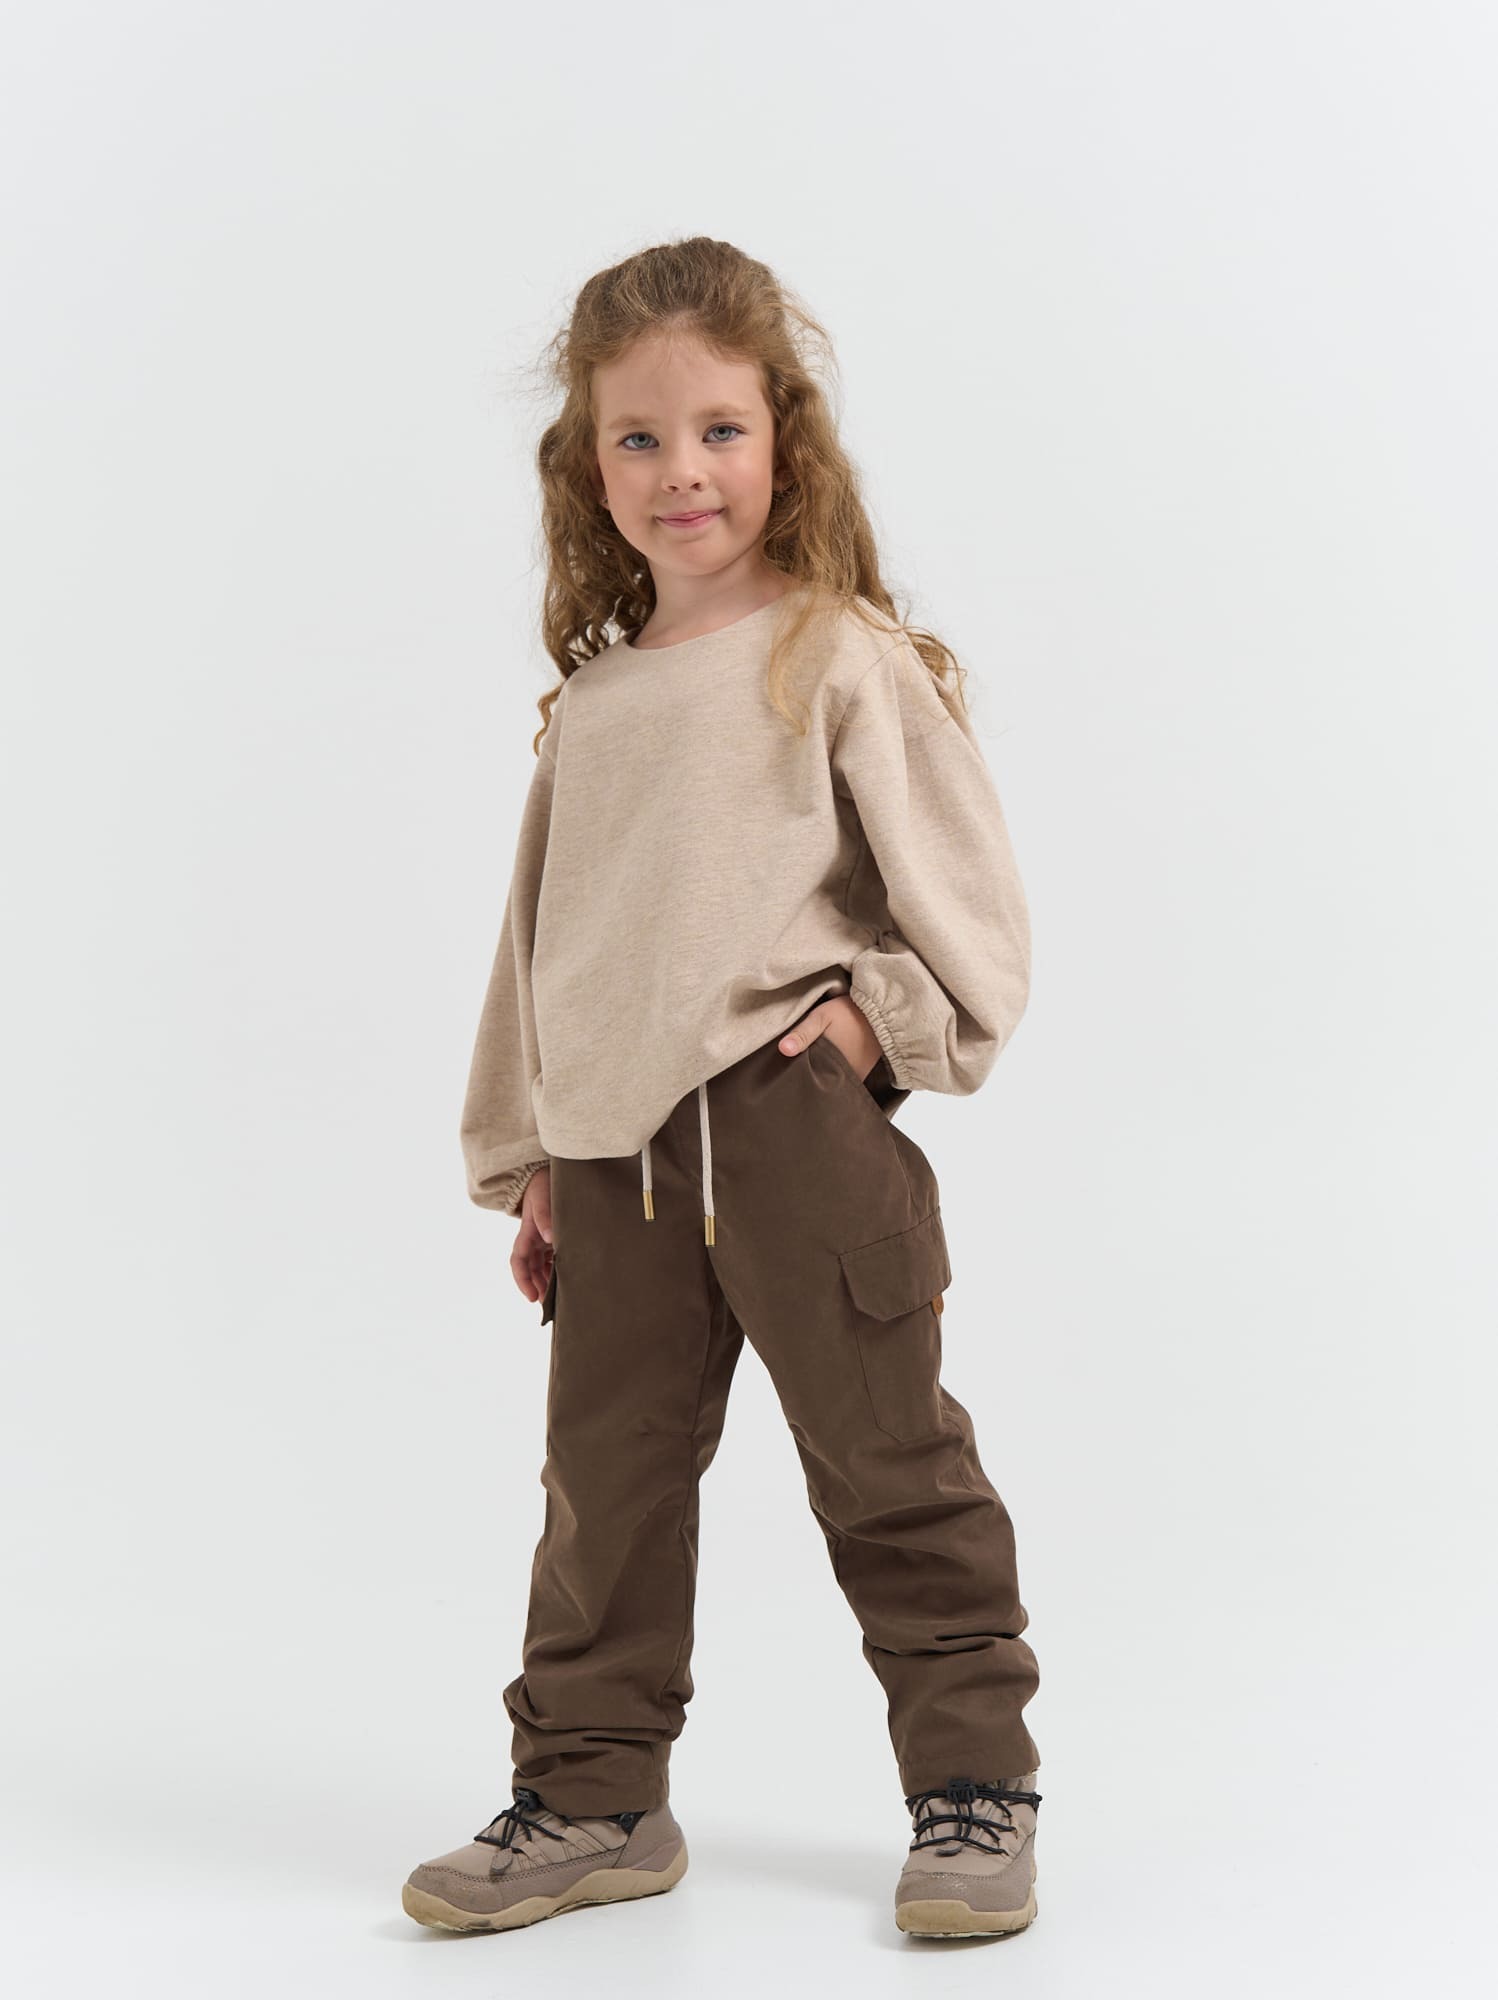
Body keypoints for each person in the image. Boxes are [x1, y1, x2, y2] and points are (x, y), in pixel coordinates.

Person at [401, 236, 1044, 1942]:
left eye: (718, 431)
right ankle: (593, 1799)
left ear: (783, 440)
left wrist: (865, 1032)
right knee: (600, 1497)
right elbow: (539, 944)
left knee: (889, 1466)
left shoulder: (837, 658)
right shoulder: (599, 706)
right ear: (587, 465)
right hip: (613, 1163)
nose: (680, 470)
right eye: (638, 438)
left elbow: (973, 916)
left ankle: (974, 1791)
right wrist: (531, 1152)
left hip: (790, 1138)